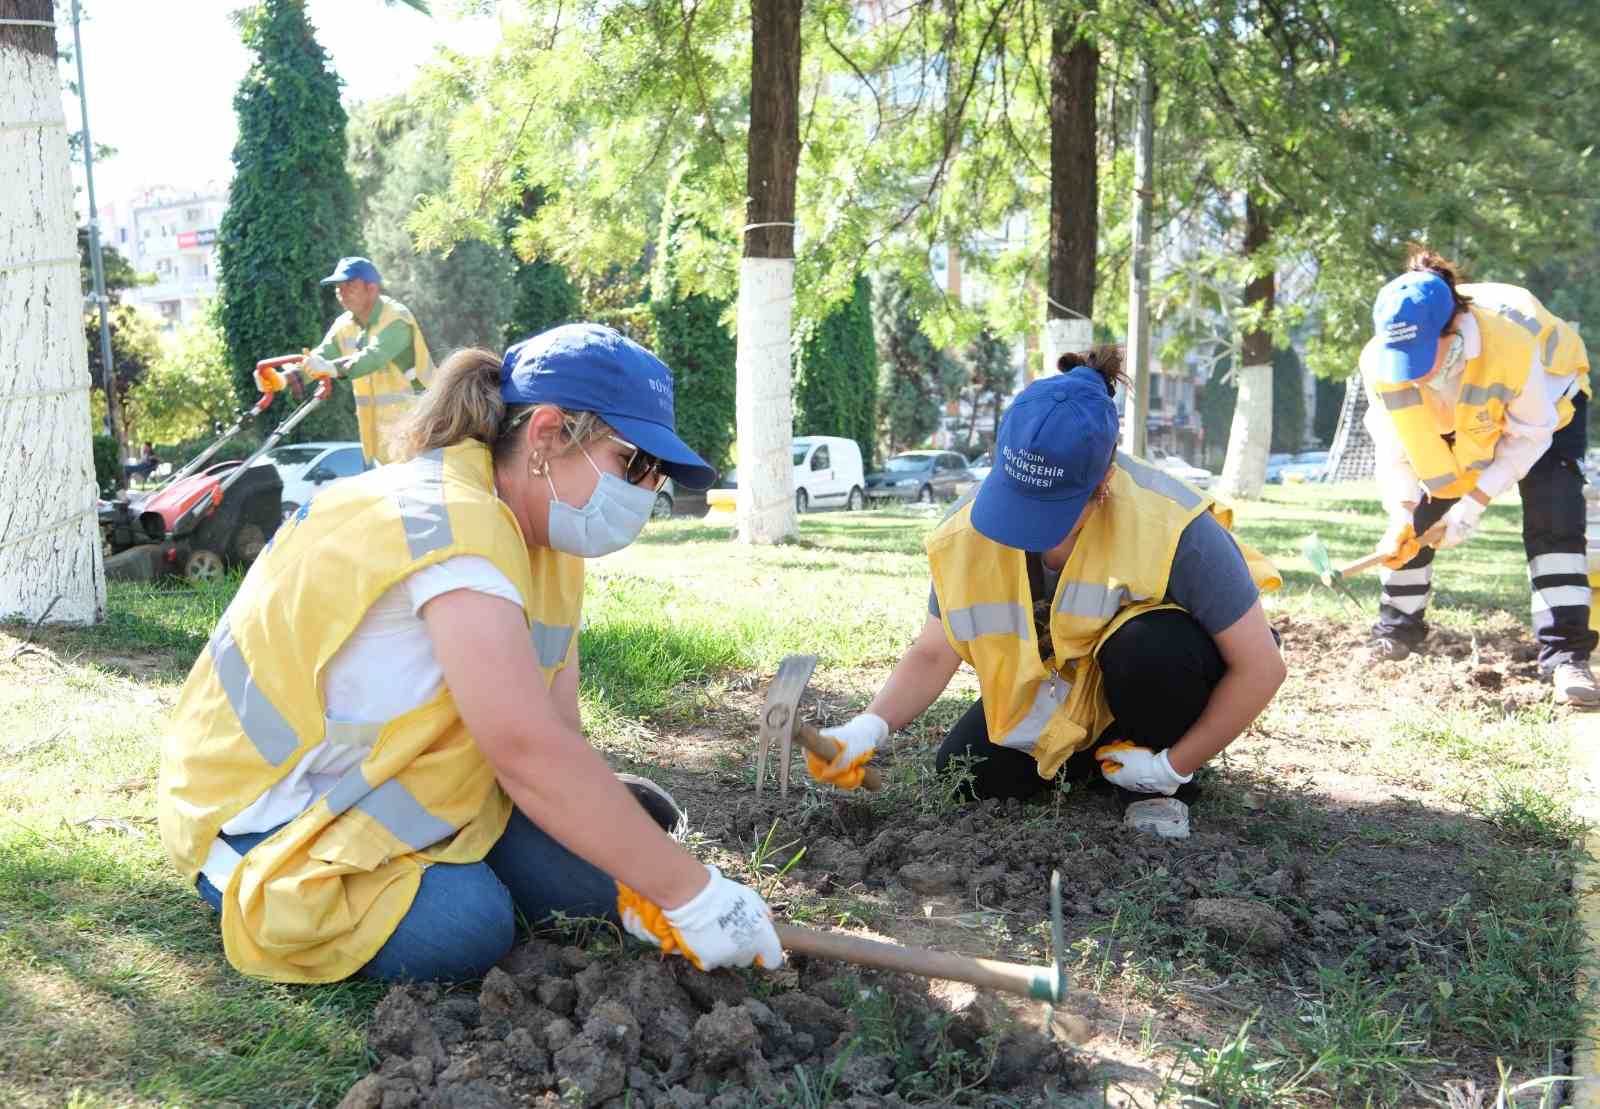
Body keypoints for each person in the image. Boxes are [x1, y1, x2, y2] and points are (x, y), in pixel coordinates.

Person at [156, 323, 784, 984]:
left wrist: (642, 863)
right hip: (264, 817)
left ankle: (473, 865)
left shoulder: (543, 541)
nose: (648, 489)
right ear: (545, 434)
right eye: (633, 463)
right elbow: (525, 747)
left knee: (604, 882)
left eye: (657, 474)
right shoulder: (450, 522)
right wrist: (697, 894)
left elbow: (557, 730)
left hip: (384, 784)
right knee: (468, 925)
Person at [804, 348, 1287, 839]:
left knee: (1148, 644)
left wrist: (1173, 765)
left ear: (1104, 481)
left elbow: (1261, 667)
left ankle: (1156, 789)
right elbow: (934, 651)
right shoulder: (964, 532)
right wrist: (867, 728)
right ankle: (1102, 762)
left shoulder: (1173, 525)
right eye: (1017, 502)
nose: (1027, 530)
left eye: (1050, 510)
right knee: (969, 774)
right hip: (1070, 694)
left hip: (1162, 682)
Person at [1361, 250, 1597, 706]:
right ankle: (1395, 633)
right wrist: (1401, 513)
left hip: (1550, 399)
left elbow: (1529, 437)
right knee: (1416, 521)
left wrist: (1473, 505)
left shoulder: (1511, 345)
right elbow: (1396, 451)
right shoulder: (1380, 359)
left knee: (1554, 509)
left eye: (1423, 356)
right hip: (1464, 415)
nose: (1416, 372)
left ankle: (1567, 657)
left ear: (1453, 332)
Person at [284, 257, 435, 466]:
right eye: (338, 287)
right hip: (378, 442)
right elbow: (321, 355)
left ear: (372, 288)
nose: (342, 292)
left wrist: (331, 369)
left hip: (421, 431)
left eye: (350, 286)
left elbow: (373, 356)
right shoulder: (343, 325)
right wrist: (287, 377)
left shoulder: (397, 319)